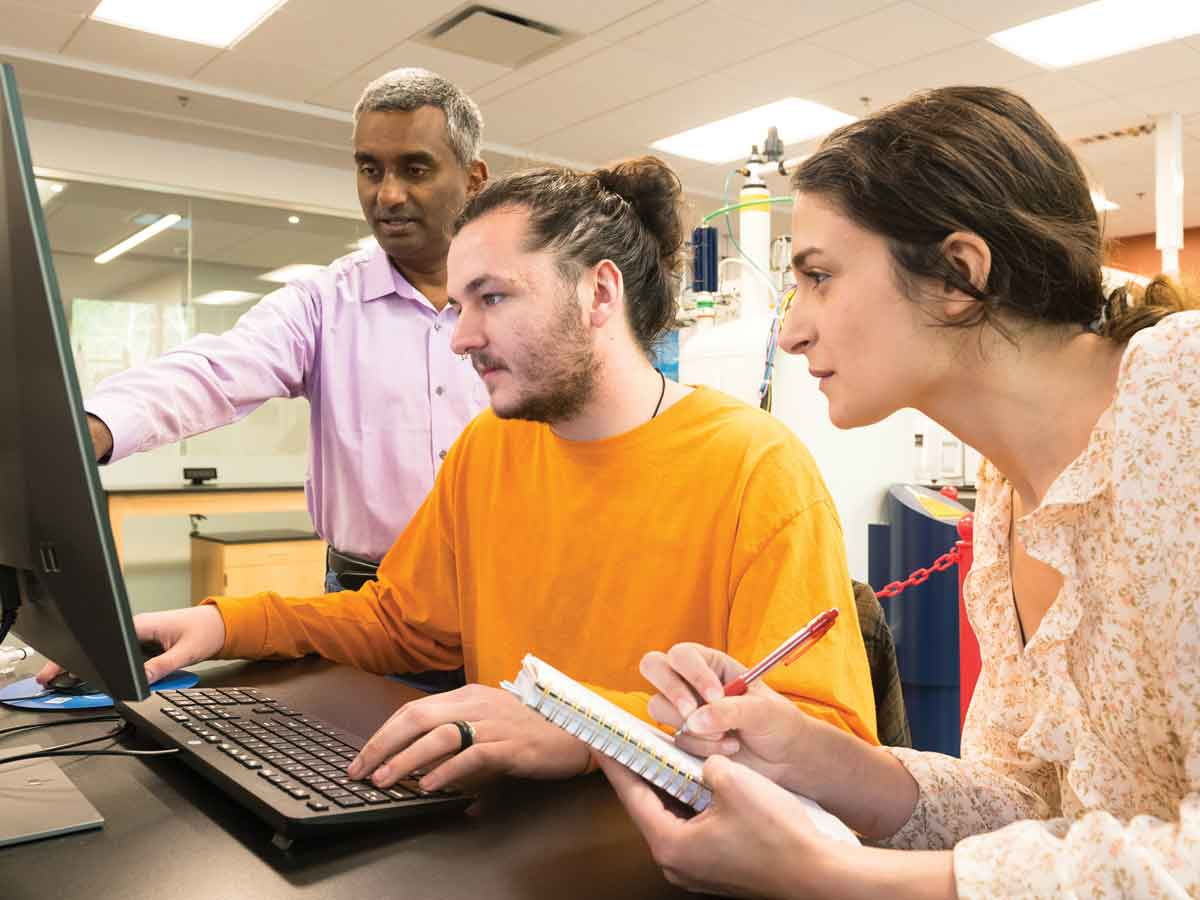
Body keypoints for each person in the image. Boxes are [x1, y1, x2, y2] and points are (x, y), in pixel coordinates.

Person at [41, 157, 878, 796]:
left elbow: (822, 733)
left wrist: (582, 726)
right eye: (458, 305)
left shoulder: (756, 465)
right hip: (502, 832)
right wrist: (224, 626)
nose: (460, 337)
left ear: (598, 293)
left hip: (661, 847)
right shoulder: (491, 447)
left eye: (493, 299)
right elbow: (408, 626)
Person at [600, 86, 1200, 899]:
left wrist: (837, 876)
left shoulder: (1182, 404)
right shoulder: (1007, 496)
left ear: (958, 274)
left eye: (818, 276)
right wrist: (830, 761)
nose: (791, 328)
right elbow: (1032, 806)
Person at [83, 67, 488, 592]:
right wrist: (87, 428)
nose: (387, 195)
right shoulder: (324, 303)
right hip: (365, 597)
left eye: (415, 169)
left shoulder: (518, 305)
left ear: (473, 180)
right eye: (370, 170)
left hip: (503, 590)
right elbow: (215, 371)